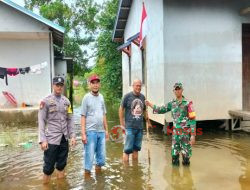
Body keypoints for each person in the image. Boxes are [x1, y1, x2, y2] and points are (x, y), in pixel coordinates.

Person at [146, 82, 196, 166]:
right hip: (176, 135)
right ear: (174, 91)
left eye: (179, 89)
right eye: (175, 89)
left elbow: (193, 119)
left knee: (186, 157)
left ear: (182, 90)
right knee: (174, 157)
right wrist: (149, 104)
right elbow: (160, 109)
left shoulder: (188, 104)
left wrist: (193, 135)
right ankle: (175, 176)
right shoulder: (172, 104)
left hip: (185, 135)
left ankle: (186, 177)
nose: (177, 91)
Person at [38, 76, 76, 184]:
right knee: (48, 169)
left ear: (63, 86)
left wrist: (72, 136)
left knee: (61, 166)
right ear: (53, 85)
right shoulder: (45, 101)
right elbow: (41, 121)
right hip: (51, 140)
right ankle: (46, 187)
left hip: (64, 139)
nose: (59, 87)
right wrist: (42, 140)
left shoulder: (67, 102)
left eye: (61, 85)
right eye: (57, 85)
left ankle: (61, 186)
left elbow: (70, 119)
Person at [81, 75, 109, 177]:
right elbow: (83, 116)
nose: (95, 85)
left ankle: (99, 184)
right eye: (93, 83)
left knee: (100, 160)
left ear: (99, 84)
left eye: (97, 83)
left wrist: (107, 130)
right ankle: (87, 183)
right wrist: (83, 134)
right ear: (90, 85)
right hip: (90, 132)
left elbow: (104, 114)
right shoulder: (86, 98)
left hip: (101, 132)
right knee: (89, 160)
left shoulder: (101, 97)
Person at [119, 79, 152, 162]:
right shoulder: (127, 96)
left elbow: (144, 111)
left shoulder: (142, 97)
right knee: (127, 150)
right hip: (129, 127)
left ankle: (134, 169)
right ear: (133, 86)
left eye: (140, 86)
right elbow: (121, 109)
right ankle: (126, 171)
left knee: (136, 149)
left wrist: (148, 122)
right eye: (137, 85)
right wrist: (122, 124)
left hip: (140, 127)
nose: (138, 87)